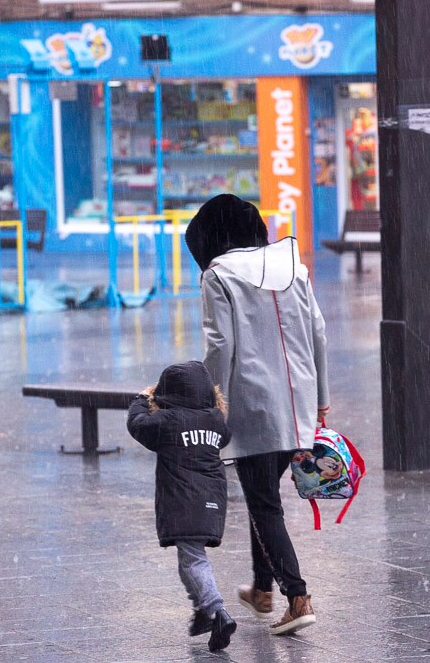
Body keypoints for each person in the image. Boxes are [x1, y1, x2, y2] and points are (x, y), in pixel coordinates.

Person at [185, 194, 329, 636]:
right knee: (262, 492)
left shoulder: (218, 276)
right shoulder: (294, 266)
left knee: (263, 501)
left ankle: (297, 595)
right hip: (298, 400)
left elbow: (220, 346)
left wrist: (209, 401)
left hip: (252, 402)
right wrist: (321, 399)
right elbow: (318, 332)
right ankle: (263, 588)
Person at [126, 361, 237, 652]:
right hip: (212, 497)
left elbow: (137, 426)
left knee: (193, 560)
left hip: (184, 500)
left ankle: (217, 611)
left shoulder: (168, 422)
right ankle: (204, 612)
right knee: (189, 558)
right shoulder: (215, 419)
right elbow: (224, 437)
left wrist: (140, 400)